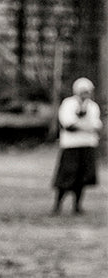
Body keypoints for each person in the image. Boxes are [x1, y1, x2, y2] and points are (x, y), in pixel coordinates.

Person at [52, 77, 101, 214]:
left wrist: (82, 126)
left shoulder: (92, 106)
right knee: (66, 176)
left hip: (87, 145)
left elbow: (96, 125)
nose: (86, 94)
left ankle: (77, 206)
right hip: (71, 146)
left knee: (83, 178)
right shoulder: (69, 104)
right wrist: (86, 126)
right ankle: (58, 205)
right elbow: (68, 124)